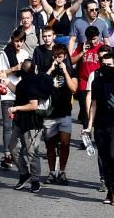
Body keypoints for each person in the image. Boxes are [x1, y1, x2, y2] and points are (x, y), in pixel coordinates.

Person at [84, 45, 114, 206]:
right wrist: (89, 126)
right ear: (100, 65)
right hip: (100, 126)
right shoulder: (97, 82)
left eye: (110, 65)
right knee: (104, 159)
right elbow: (94, 104)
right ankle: (110, 191)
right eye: (104, 65)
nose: (107, 68)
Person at [4, 57, 51, 192]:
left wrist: (16, 108)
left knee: (32, 153)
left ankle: (35, 180)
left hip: (32, 124)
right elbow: (18, 91)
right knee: (12, 147)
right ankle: (24, 174)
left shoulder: (31, 84)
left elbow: (33, 105)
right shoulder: (23, 83)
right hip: (20, 122)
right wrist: (7, 83)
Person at [42, 43, 77, 184]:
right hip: (50, 114)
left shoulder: (70, 70)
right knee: (50, 145)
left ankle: (62, 171)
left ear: (65, 56)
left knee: (65, 143)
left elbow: (74, 88)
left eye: (61, 57)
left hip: (65, 113)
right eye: (56, 57)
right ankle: (51, 172)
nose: (58, 59)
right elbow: (41, 85)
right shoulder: (48, 69)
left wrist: (66, 72)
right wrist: (50, 69)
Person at [0, 29, 31, 169]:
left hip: (21, 94)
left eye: (21, 41)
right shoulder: (5, 53)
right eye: (16, 41)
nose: (18, 44)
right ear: (12, 40)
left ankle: (20, 153)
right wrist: (14, 68)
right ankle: (7, 155)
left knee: (22, 126)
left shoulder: (25, 54)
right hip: (7, 95)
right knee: (7, 126)